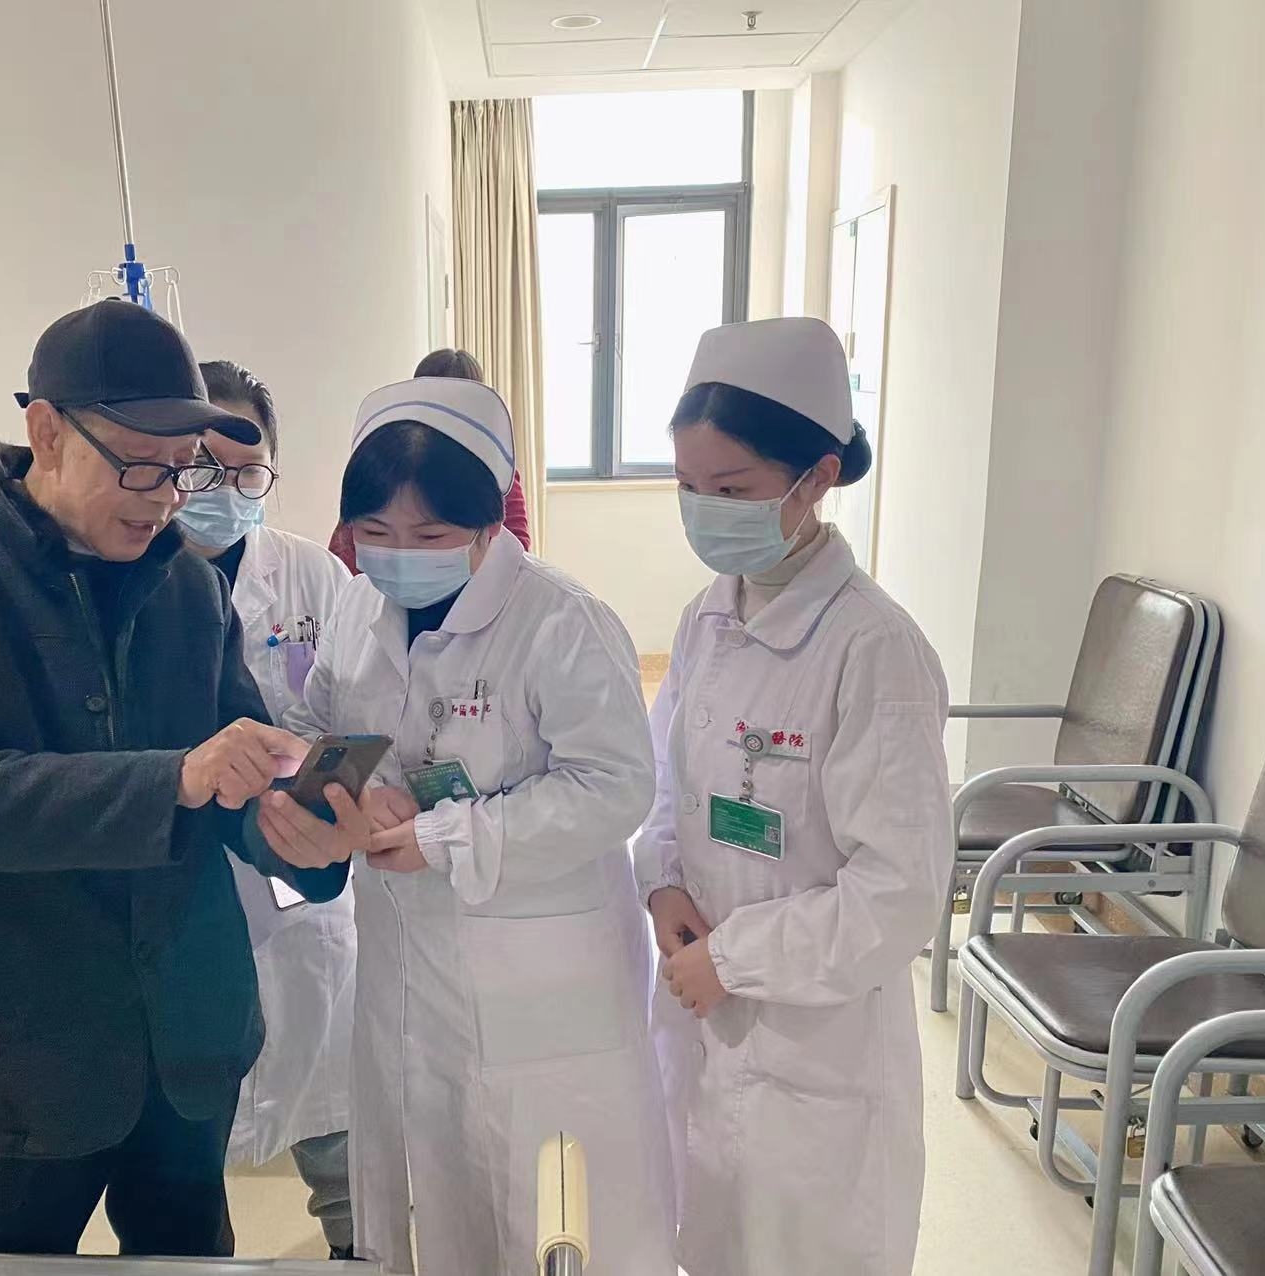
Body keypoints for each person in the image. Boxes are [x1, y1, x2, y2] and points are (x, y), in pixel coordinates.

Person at [0, 300, 370, 1259]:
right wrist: (175, 779)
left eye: (181, 467)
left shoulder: (187, 587)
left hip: (187, 1037)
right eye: (138, 464)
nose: (165, 498)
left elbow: (232, 777)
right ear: (46, 430)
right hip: (12, 1050)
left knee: (187, 1256)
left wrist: (302, 831)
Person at [290, 374, 676, 1276]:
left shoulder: (562, 622)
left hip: (542, 979)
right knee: (443, 1183)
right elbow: (319, 723)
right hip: (405, 958)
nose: (399, 556)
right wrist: (344, 794)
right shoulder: (355, 606)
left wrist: (450, 838)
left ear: (488, 523)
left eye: (429, 536)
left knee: (555, 1205)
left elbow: (616, 785)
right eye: (375, 532)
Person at [634, 318, 951, 1276]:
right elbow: (666, 782)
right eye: (686, 485)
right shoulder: (707, 616)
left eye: (731, 490)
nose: (703, 511)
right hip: (704, 1009)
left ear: (816, 478)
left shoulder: (874, 651)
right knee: (710, 1238)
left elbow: (898, 896)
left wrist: (735, 958)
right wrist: (661, 881)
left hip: (816, 1051)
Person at [184, 358, 357, 1260]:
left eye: (246, 472)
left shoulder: (312, 576)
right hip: (188, 875)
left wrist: (317, 802)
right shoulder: (135, 574)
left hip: (299, 868)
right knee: (186, 1140)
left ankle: (357, 1248)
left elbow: (359, 711)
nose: (224, 491)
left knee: (334, 1096)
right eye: (203, 468)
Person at [326, 348, 530, 572]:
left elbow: (515, 550)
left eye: (430, 535)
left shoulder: (493, 473)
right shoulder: (384, 465)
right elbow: (344, 554)